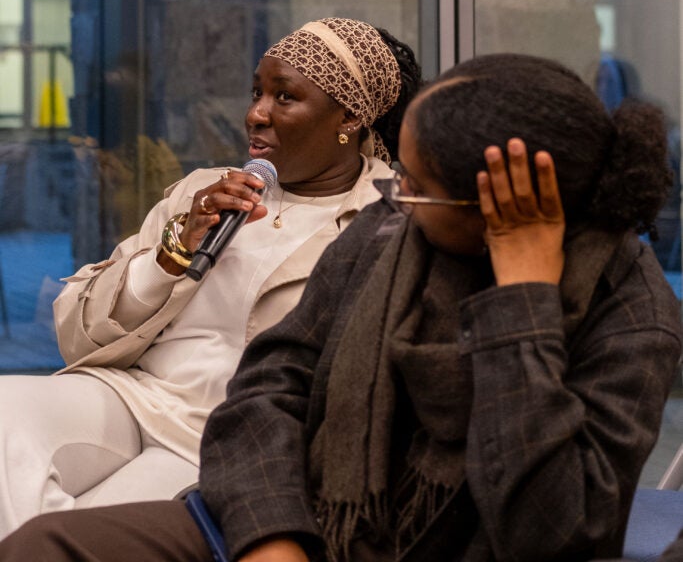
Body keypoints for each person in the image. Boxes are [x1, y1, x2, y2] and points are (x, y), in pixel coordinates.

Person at [1, 52, 680, 562]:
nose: (394, 190)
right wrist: (272, 535)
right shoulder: (389, 233)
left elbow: (554, 529)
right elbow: (266, 390)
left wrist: (521, 304)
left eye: (415, 183)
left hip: (445, 547)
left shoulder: (627, 308)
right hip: (311, 518)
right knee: (46, 545)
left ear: (492, 202)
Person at [0, 17, 421, 537]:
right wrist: (172, 253)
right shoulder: (202, 191)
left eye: (284, 97)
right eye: (256, 92)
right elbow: (77, 335)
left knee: (77, 532)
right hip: (134, 397)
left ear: (350, 116)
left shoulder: (389, 220)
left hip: (233, 435)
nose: (254, 115)